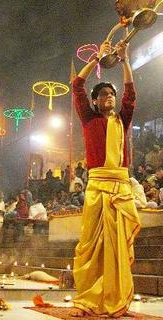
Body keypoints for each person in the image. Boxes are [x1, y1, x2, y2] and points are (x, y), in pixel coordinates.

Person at [68, 40, 140, 317]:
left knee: (118, 248)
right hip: (98, 188)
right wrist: (96, 60)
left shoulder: (122, 119)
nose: (109, 96)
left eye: (112, 93)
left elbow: (131, 95)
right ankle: (88, 297)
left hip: (120, 188)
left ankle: (115, 296)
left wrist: (124, 61)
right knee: (90, 244)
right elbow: (77, 86)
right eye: (103, 95)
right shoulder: (89, 119)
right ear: (96, 102)